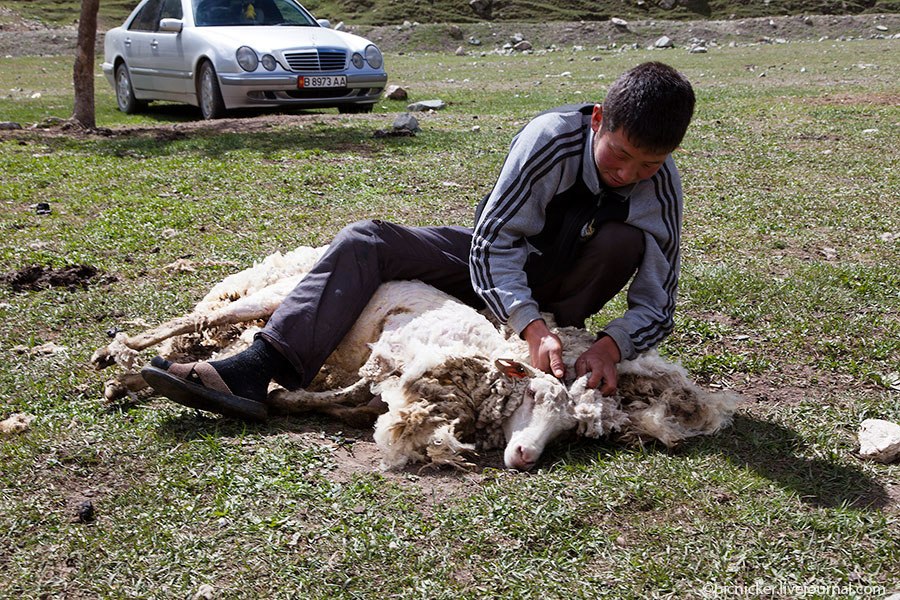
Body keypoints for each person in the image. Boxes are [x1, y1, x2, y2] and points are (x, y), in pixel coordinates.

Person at [141, 61, 696, 421]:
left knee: (625, 239)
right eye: (620, 154)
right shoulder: (551, 139)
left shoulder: (661, 186)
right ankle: (258, 365)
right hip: (494, 265)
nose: (628, 174)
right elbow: (492, 244)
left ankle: (560, 340)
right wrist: (528, 324)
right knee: (367, 240)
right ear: (598, 120)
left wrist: (610, 346)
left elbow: (657, 302)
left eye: (650, 164)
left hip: (566, 289)